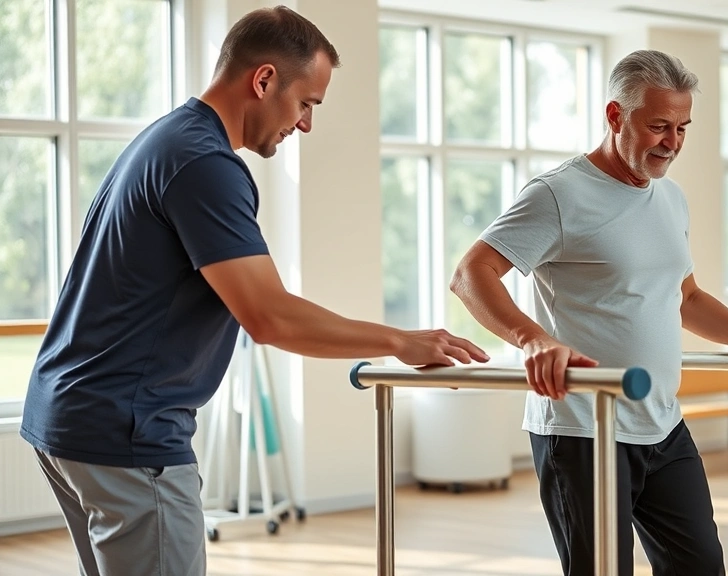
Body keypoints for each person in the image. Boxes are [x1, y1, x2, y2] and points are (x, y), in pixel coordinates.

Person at [20, 6, 488, 576]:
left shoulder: (167, 138)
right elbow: (269, 317)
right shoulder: (203, 163)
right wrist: (399, 341)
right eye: (307, 103)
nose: (307, 123)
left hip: (68, 415)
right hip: (125, 427)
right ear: (263, 80)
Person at [450, 49, 728, 576]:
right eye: (658, 126)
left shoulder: (670, 198)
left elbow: (686, 299)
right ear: (615, 116)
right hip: (584, 428)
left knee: (700, 567)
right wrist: (531, 339)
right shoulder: (558, 194)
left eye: (682, 127)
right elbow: (472, 274)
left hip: (662, 425)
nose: (671, 142)